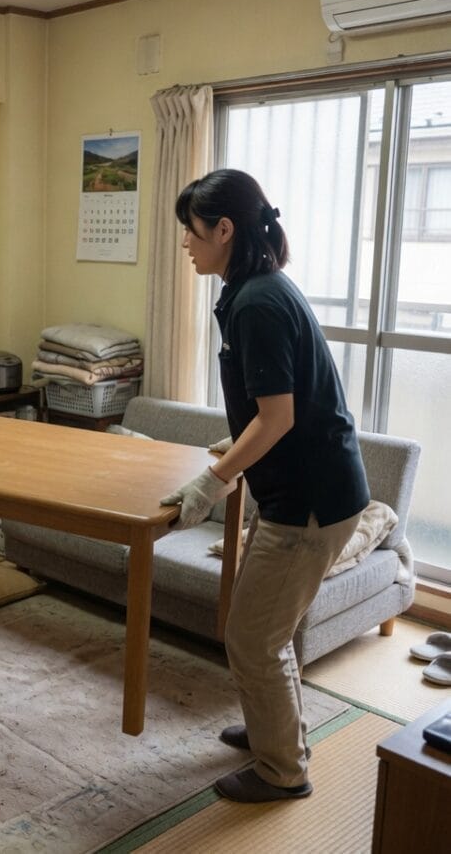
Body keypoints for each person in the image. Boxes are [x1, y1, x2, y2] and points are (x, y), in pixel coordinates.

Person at [161, 168, 369, 803]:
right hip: (307, 491)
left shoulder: (257, 302)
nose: (186, 243)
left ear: (224, 230)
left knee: (254, 638)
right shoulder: (256, 289)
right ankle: (272, 732)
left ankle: (283, 770)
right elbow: (276, 407)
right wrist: (235, 447)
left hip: (310, 504)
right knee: (258, 629)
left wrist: (212, 482)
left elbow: (278, 417)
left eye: (192, 231)